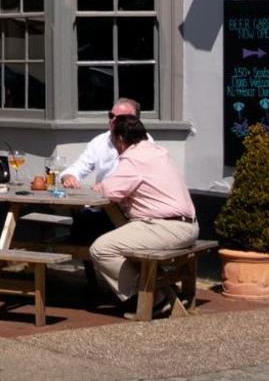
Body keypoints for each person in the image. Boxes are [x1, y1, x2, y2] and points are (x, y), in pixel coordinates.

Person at [90, 115, 199, 316]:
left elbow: (111, 192)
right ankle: (162, 290)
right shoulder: (157, 151)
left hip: (165, 228)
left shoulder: (134, 158)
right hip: (188, 226)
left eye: (113, 140)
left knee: (101, 249)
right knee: (124, 240)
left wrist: (101, 185)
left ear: (121, 139)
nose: (114, 145)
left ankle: (154, 298)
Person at [59, 97, 140, 243]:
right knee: (82, 226)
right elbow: (80, 166)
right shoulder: (100, 141)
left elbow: (133, 179)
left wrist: (106, 186)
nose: (112, 120)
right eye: (111, 116)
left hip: (129, 211)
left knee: (90, 227)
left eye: (119, 118)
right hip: (101, 207)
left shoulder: (143, 143)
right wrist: (69, 176)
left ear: (133, 121)